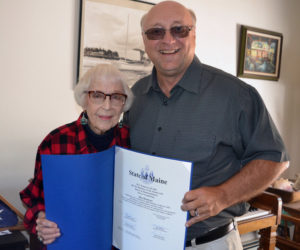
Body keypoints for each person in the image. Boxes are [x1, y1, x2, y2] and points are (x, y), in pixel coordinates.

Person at [124, 1, 289, 249]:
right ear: (145, 40)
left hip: (208, 242)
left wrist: (223, 195)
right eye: (156, 32)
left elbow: (274, 158)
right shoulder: (135, 95)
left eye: (179, 30)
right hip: (142, 239)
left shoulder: (235, 95)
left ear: (194, 34)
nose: (168, 40)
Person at [20, 63, 133, 249]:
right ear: (84, 99)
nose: (107, 106)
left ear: (124, 104)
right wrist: (40, 218)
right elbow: (33, 197)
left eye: (116, 97)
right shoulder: (56, 141)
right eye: (97, 96)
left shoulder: (131, 140)